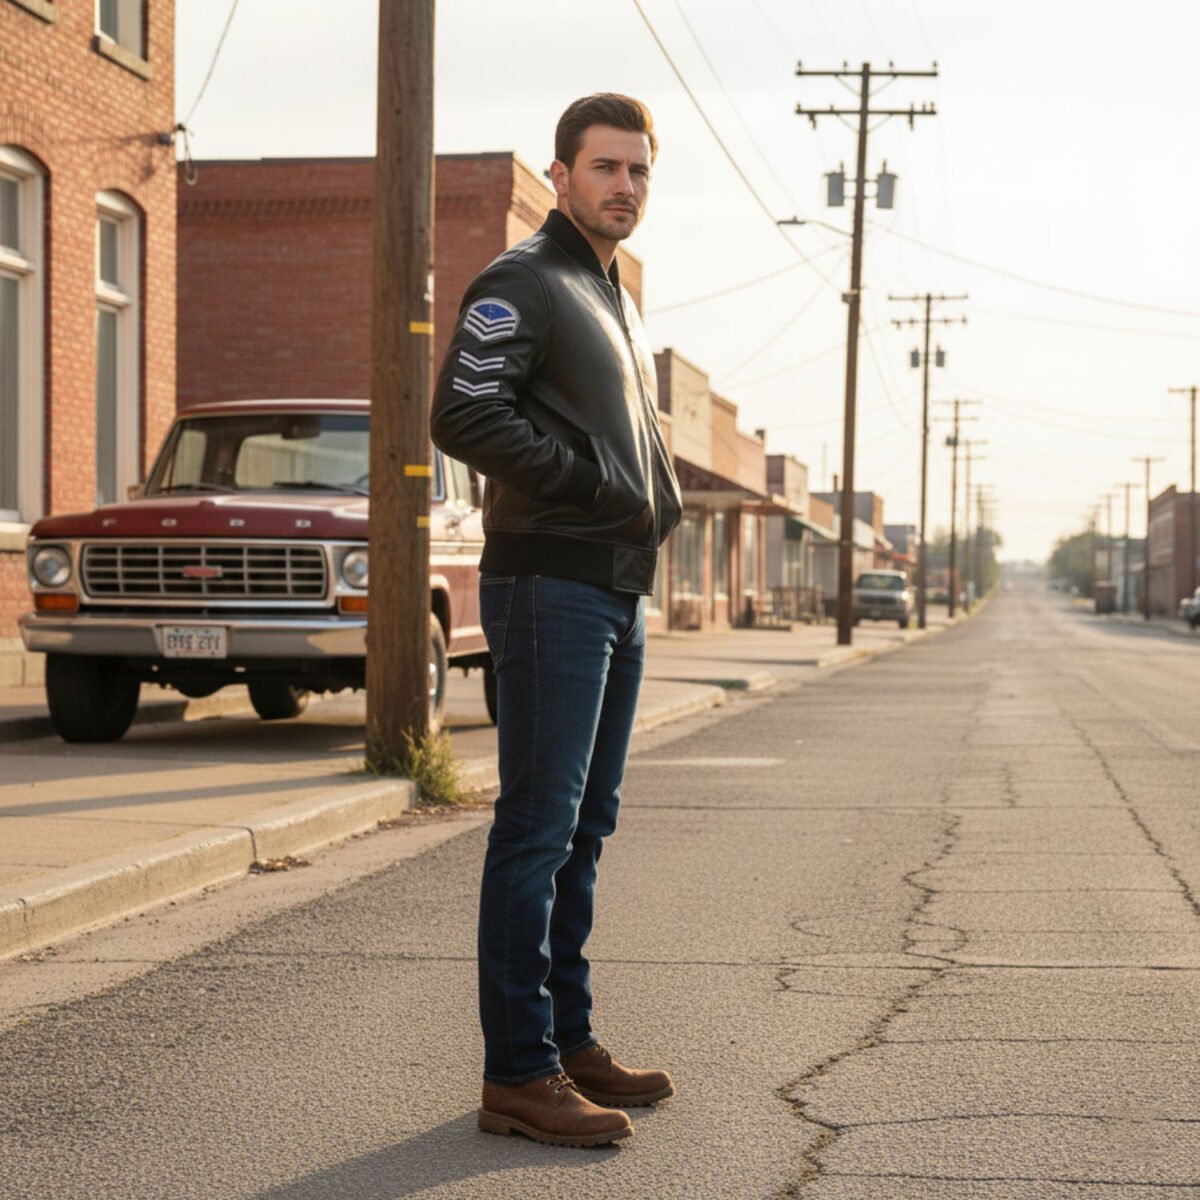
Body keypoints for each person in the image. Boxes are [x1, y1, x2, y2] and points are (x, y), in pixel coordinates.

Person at [430, 93, 682, 1148]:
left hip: (614, 591)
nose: (623, 185)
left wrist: (638, 507)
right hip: (550, 589)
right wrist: (585, 483)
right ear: (563, 173)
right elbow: (461, 410)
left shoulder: (610, 294)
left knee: (586, 828)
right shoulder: (522, 281)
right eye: (605, 167)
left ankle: (569, 1042)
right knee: (536, 830)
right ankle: (519, 1073)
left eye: (638, 171)